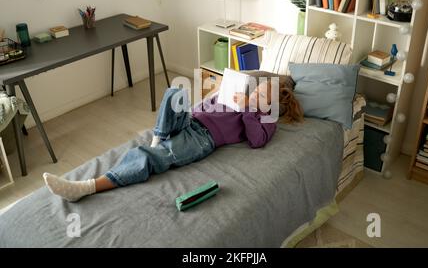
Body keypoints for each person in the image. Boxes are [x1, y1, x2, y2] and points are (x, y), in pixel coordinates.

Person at [43, 73, 303, 202]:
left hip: (201, 139)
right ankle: (159, 139)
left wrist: (248, 107)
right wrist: (216, 93)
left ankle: (86, 187)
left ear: (272, 105)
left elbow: (256, 141)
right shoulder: (240, 96)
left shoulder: (265, 120)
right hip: (191, 121)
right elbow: (207, 107)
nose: (255, 93)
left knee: (146, 157)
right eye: (256, 89)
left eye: (261, 95)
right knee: (174, 93)